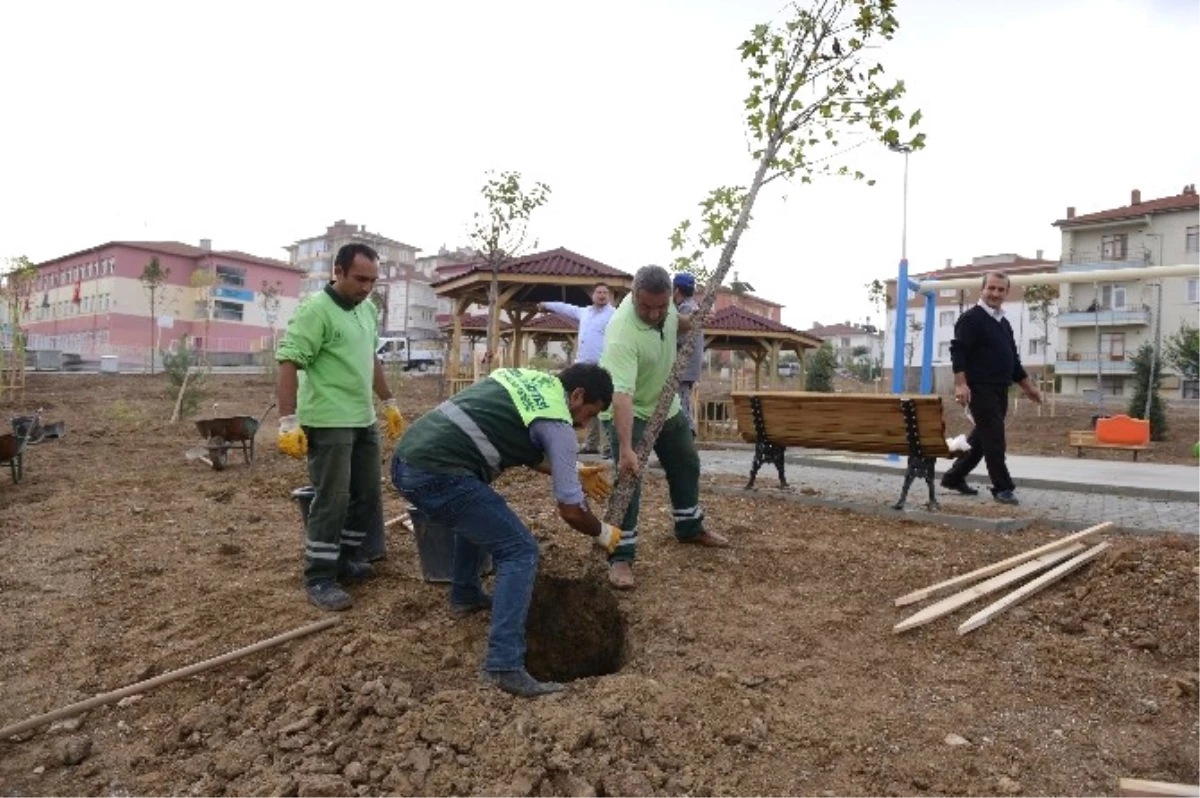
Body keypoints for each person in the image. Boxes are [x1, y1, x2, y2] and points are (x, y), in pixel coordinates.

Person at [391, 364, 621, 698]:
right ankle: (504, 666)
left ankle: (466, 595)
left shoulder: (528, 380)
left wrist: (572, 468)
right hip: (437, 472)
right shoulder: (558, 423)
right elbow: (571, 511)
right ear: (578, 395)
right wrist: (602, 532)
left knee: (479, 514)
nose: (584, 424)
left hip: (408, 460)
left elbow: (520, 445)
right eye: (590, 413)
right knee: (520, 550)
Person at [276, 243, 408, 611]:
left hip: (361, 418)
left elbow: (370, 358)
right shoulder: (315, 311)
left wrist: (388, 402)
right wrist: (288, 420)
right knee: (331, 499)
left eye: (373, 281)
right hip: (328, 420)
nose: (367, 287)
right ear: (338, 271)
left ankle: (345, 558)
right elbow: (288, 362)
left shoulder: (365, 310)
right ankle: (319, 576)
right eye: (360, 279)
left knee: (366, 494)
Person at [599, 265, 730, 590]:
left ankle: (689, 526)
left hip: (665, 404)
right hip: (630, 410)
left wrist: (692, 322)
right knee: (630, 479)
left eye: (661, 306)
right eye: (647, 307)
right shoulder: (622, 332)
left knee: (686, 461)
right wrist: (627, 448)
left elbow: (676, 323)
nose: (655, 313)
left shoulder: (665, 306)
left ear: (670, 296)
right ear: (633, 295)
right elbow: (621, 397)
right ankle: (621, 555)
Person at [940, 271, 1042, 505]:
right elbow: (958, 351)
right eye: (991, 288)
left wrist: (1028, 387)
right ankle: (1002, 488)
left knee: (981, 439)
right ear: (982, 289)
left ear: (1006, 292)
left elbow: (1013, 361)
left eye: (1001, 289)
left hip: (1000, 389)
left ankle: (954, 477)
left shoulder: (1003, 323)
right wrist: (960, 384)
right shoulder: (971, 319)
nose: (995, 293)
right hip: (980, 389)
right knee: (995, 439)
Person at [538, 283, 616, 455]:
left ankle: (611, 445)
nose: (602, 295)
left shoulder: (613, 314)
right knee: (586, 404)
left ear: (609, 296)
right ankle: (591, 444)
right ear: (593, 295)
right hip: (582, 367)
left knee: (603, 406)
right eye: (598, 292)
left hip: (602, 366)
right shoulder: (585, 312)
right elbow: (565, 308)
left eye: (605, 292)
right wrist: (546, 305)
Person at [671, 273, 705, 434]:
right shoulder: (692, 305)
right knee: (681, 399)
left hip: (684, 366)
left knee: (680, 401)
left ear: (676, 289)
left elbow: (678, 338)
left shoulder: (686, 309)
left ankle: (687, 432)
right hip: (690, 366)